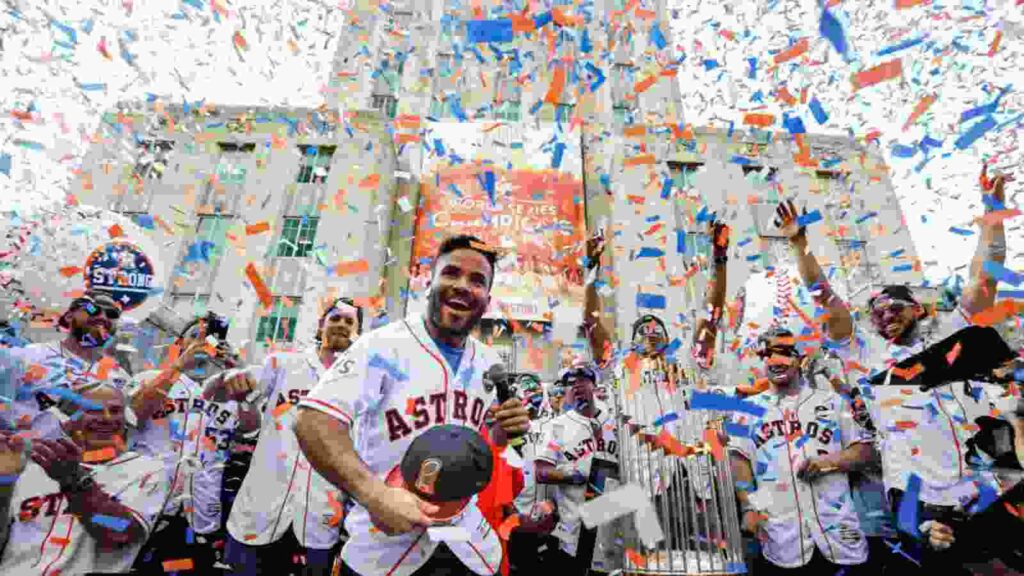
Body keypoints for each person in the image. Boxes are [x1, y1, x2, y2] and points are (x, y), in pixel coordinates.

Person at [771, 165, 1015, 573]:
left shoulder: (950, 333)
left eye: (893, 308)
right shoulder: (865, 355)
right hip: (912, 491)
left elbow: (985, 280)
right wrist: (800, 244)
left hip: (978, 483)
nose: (883, 317)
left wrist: (993, 211)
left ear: (918, 308)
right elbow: (826, 299)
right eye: (876, 313)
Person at [293, 234, 531, 576]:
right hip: (387, 542)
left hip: (465, 541)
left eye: (477, 281)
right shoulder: (382, 345)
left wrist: (502, 432)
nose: (463, 286)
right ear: (428, 283)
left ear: (487, 299)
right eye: (451, 273)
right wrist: (373, 495)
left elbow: (481, 444)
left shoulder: (489, 362)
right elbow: (312, 421)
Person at [224, 297, 363, 576]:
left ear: (359, 333)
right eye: (335, 318)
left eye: (350, 321)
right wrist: (238, 390)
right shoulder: (283, 363)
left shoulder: (363, 383)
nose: (341, 325)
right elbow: (245, 416)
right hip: (259, 511)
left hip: (319, 522)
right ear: (321, 324)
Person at [728, 327, 875, 575]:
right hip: (781, 535)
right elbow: (739, 462)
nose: (775, 361)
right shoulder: (745, 410)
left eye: (784, 352)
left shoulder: (833, 402)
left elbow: (866, 452)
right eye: (766, 354)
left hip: (839, 532)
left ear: (800, 358)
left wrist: (830, 461)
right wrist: (749, 507)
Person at [128, 313, 260, 574]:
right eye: (193, 337)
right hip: (146, 504)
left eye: (208, 339)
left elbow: (250, 428)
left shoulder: (228, 389)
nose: (200, 344)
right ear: (178, 343)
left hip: (202, 507)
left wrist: (243, 382)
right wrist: (178, 367)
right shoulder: (149, 378)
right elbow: (132, 415)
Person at [0, 382, 169, 575]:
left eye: (115, 411)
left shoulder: (146, 469)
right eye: (93, 410)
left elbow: (121, 533)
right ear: (68, 418)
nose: (106, 418)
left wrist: (73, 481)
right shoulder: (30, 467)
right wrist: (3, 485)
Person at [0, 290, 132, 440]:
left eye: (111, 314)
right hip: (27, 458)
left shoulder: (120, 378)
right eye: (92, 310)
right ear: (69, 316)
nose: (102, 317)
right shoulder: (26, 357)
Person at [534, 361, 621, 575]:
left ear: (594, 384)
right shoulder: (556, 427)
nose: (576, 386)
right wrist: (573, 475)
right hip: (574, 528)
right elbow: (541, 471)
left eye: (582, 379)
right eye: (570, 382)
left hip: (613, 527)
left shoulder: (614, 423)